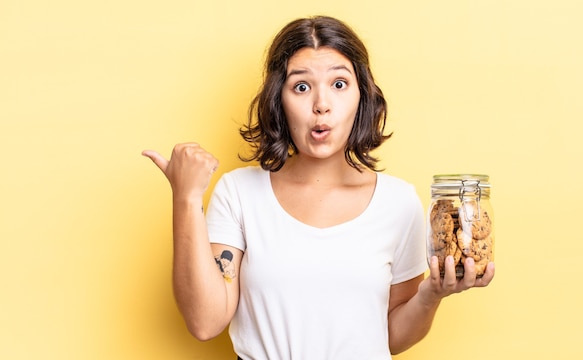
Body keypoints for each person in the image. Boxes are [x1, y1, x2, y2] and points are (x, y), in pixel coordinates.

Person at [142, 15, 494, 360]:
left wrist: (430, 295)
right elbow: (205, 322)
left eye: (339, 84)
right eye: (301, 86)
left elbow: (392, 337)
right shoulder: (239, 193)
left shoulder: (398, 202)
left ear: (362, 97)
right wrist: (186, 198)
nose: (321, 105)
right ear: (279, 99)